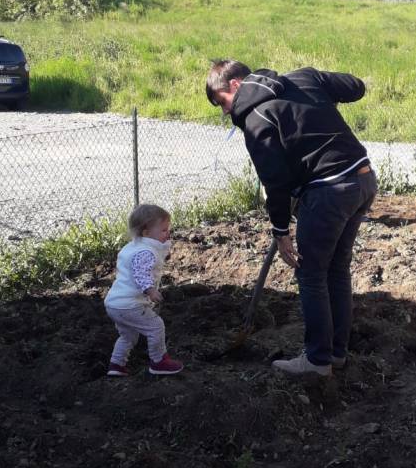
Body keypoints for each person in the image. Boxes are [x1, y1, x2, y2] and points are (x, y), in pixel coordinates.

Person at [206, 59, 377, 378]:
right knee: (336, 269)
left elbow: (276, 182)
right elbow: (355, 87)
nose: (226, 112)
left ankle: (317, 360)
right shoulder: (303, 78)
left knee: (310, 274)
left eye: (222, 102)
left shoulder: (255, 119)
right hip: (363, 179)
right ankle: (336, 354)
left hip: (330, 190)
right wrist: (317, 92)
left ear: (235, 85)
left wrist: (280, 231)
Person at [104, 204, 183, 376]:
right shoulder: (146, 252)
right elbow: (140, 273)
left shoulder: (132, 247)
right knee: (156, 327)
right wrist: (150, 290)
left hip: (115, 304)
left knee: (128, 336)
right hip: (130, 305)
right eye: (163, 230)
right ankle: (159, 361)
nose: (168, 233)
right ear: (146, 233)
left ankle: (116, 365)